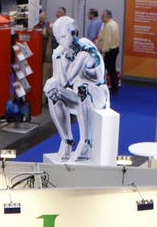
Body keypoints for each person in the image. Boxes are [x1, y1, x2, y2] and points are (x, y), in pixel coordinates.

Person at [43, 14, 110, 162]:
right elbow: (57, 81)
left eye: (62, 37)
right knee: (51, 91)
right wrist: (58, 59)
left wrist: (57, 57)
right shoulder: (67, 51)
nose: (59, 42)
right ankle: (67, 141)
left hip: (97, 96)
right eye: (57, 38)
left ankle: (85, 142)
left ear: (72, 33)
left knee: (81, 88)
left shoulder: (84, 51)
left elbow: (66, 81)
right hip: (81, 97)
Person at [97, 9, 120, 95]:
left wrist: (103, 52)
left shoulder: (108, 26)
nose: (102, 18)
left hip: (109, 51)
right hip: (115, 49)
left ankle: (112, 88)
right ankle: (115, 87)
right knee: (112, 69)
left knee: (108, 70)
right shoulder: (115, 24)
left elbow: (107, 40)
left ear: (108, 16)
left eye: (103, 16)